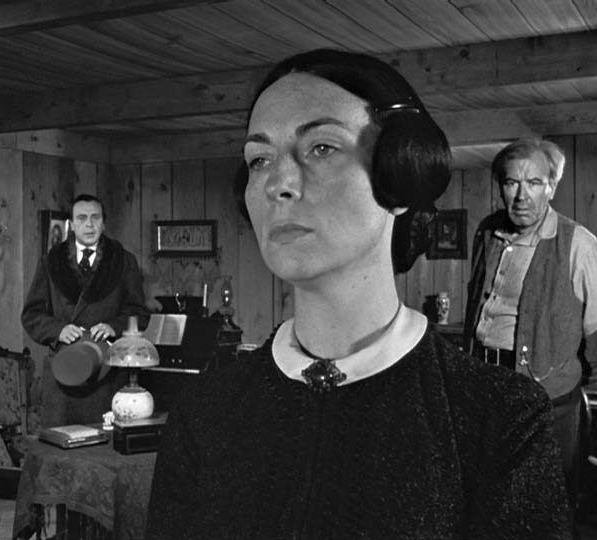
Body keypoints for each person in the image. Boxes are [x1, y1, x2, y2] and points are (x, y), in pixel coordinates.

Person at [145, 50, 570, 539]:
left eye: (322, 148)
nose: (278, 183)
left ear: (401, 175)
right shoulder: (205, 410)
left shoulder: (501, 418)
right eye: (259, 159)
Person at [464, 138, 597, 519]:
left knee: (547, 502)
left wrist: (565, 380)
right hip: (486, 385)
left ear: (551, 187)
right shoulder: (488, 231)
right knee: (491, 498)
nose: (521, 196)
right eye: (511, 183)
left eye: (534, 183)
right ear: (500, 187)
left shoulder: (578, 244)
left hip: (547, 396)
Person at [22, 193, 150, 427]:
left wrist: (114, 327)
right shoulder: (51, 262)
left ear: (104, 223)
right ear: (71, 224)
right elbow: (31, 315)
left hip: (106, 374)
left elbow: (139, 313)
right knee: (62, 441)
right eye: (81, 218)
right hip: (64, 372)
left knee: (103, 442)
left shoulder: (123, 261)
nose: (89, 225)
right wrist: (58, 330)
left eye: (95, 217)